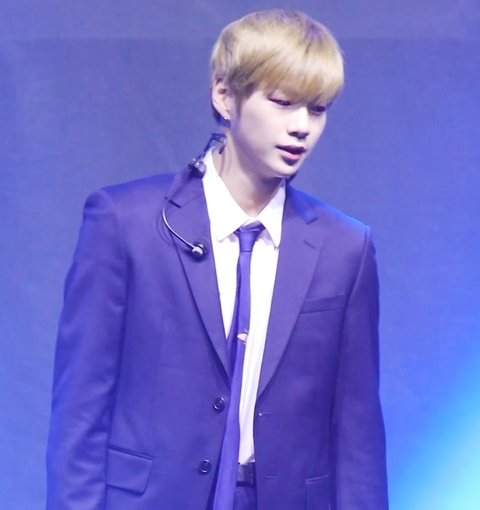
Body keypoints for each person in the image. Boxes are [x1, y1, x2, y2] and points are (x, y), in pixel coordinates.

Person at [47, 9, 388, 510]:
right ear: (225, 95)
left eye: (317, 109)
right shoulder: (125, 223)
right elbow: (81, 406)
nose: (301, 127)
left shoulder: (345, 248)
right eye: (282, 102)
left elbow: (358, 433)